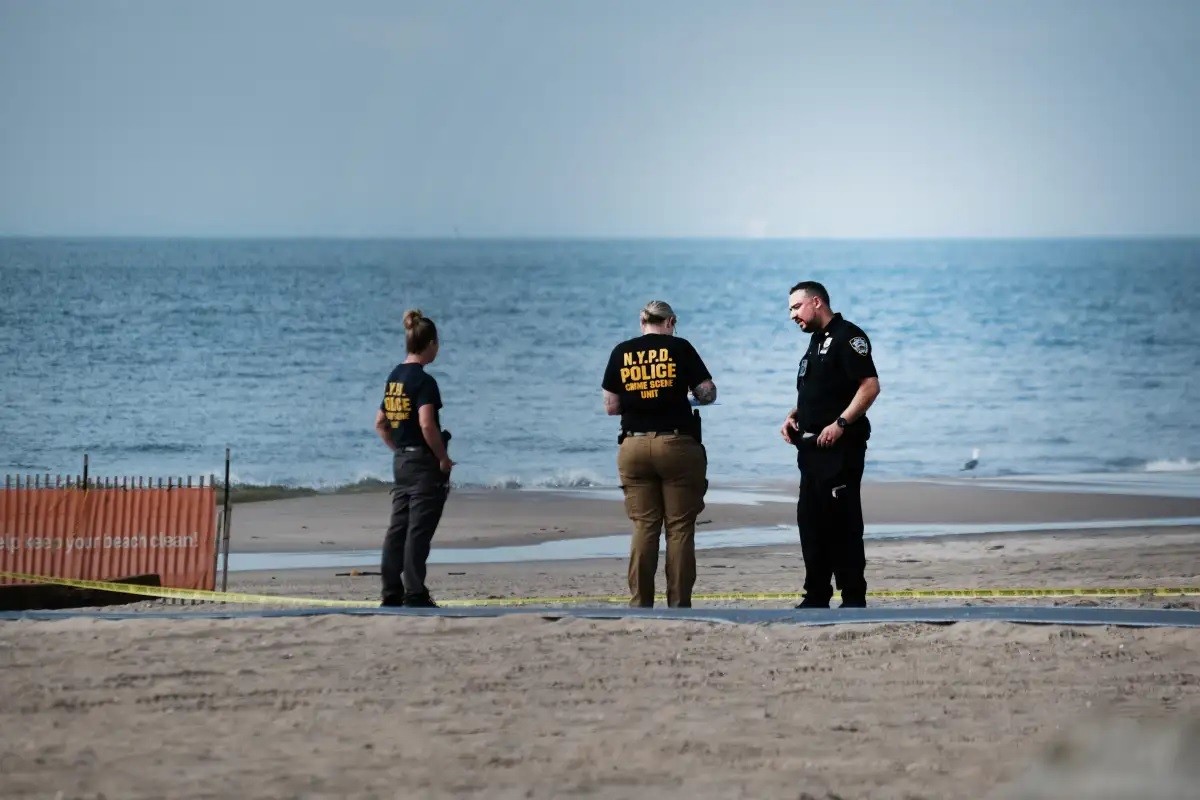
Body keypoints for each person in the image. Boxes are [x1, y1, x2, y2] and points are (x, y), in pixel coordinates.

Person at [601, 300, 717, 608]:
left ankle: (640, 604)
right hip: (676, 444)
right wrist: (684, 397)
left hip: (634, 446)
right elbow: (708, 392)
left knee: (644, 525)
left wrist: (639, 398)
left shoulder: (621, 352)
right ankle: (679, 605)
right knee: (679, 527)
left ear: (642, 323)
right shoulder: (680, 347)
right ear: (670, 322)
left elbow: (611, 406)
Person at [779, 281, 880, 609]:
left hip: (841, 450)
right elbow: (819, 390)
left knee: (843, 524)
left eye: (796, 307)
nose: (792, 315)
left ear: (817, 302)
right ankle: (817, 595)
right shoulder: (815, 342)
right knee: (810, 522)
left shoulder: (848, 337)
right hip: (810, 452)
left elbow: (869, 387)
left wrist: (840, 423)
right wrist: (794, 415)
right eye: (791, 309)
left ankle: (853, 598)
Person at [373, 309, 454, 608]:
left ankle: (390, 590)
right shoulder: (424, 382)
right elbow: (426, 424)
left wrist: (398, 450)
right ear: (430, 344)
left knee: (398, 528)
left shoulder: (394, 377)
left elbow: (380, 423)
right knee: (418, 531)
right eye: (437, 343)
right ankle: (415, 592)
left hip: (402, 462)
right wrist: (442, 458)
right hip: (422, 464)